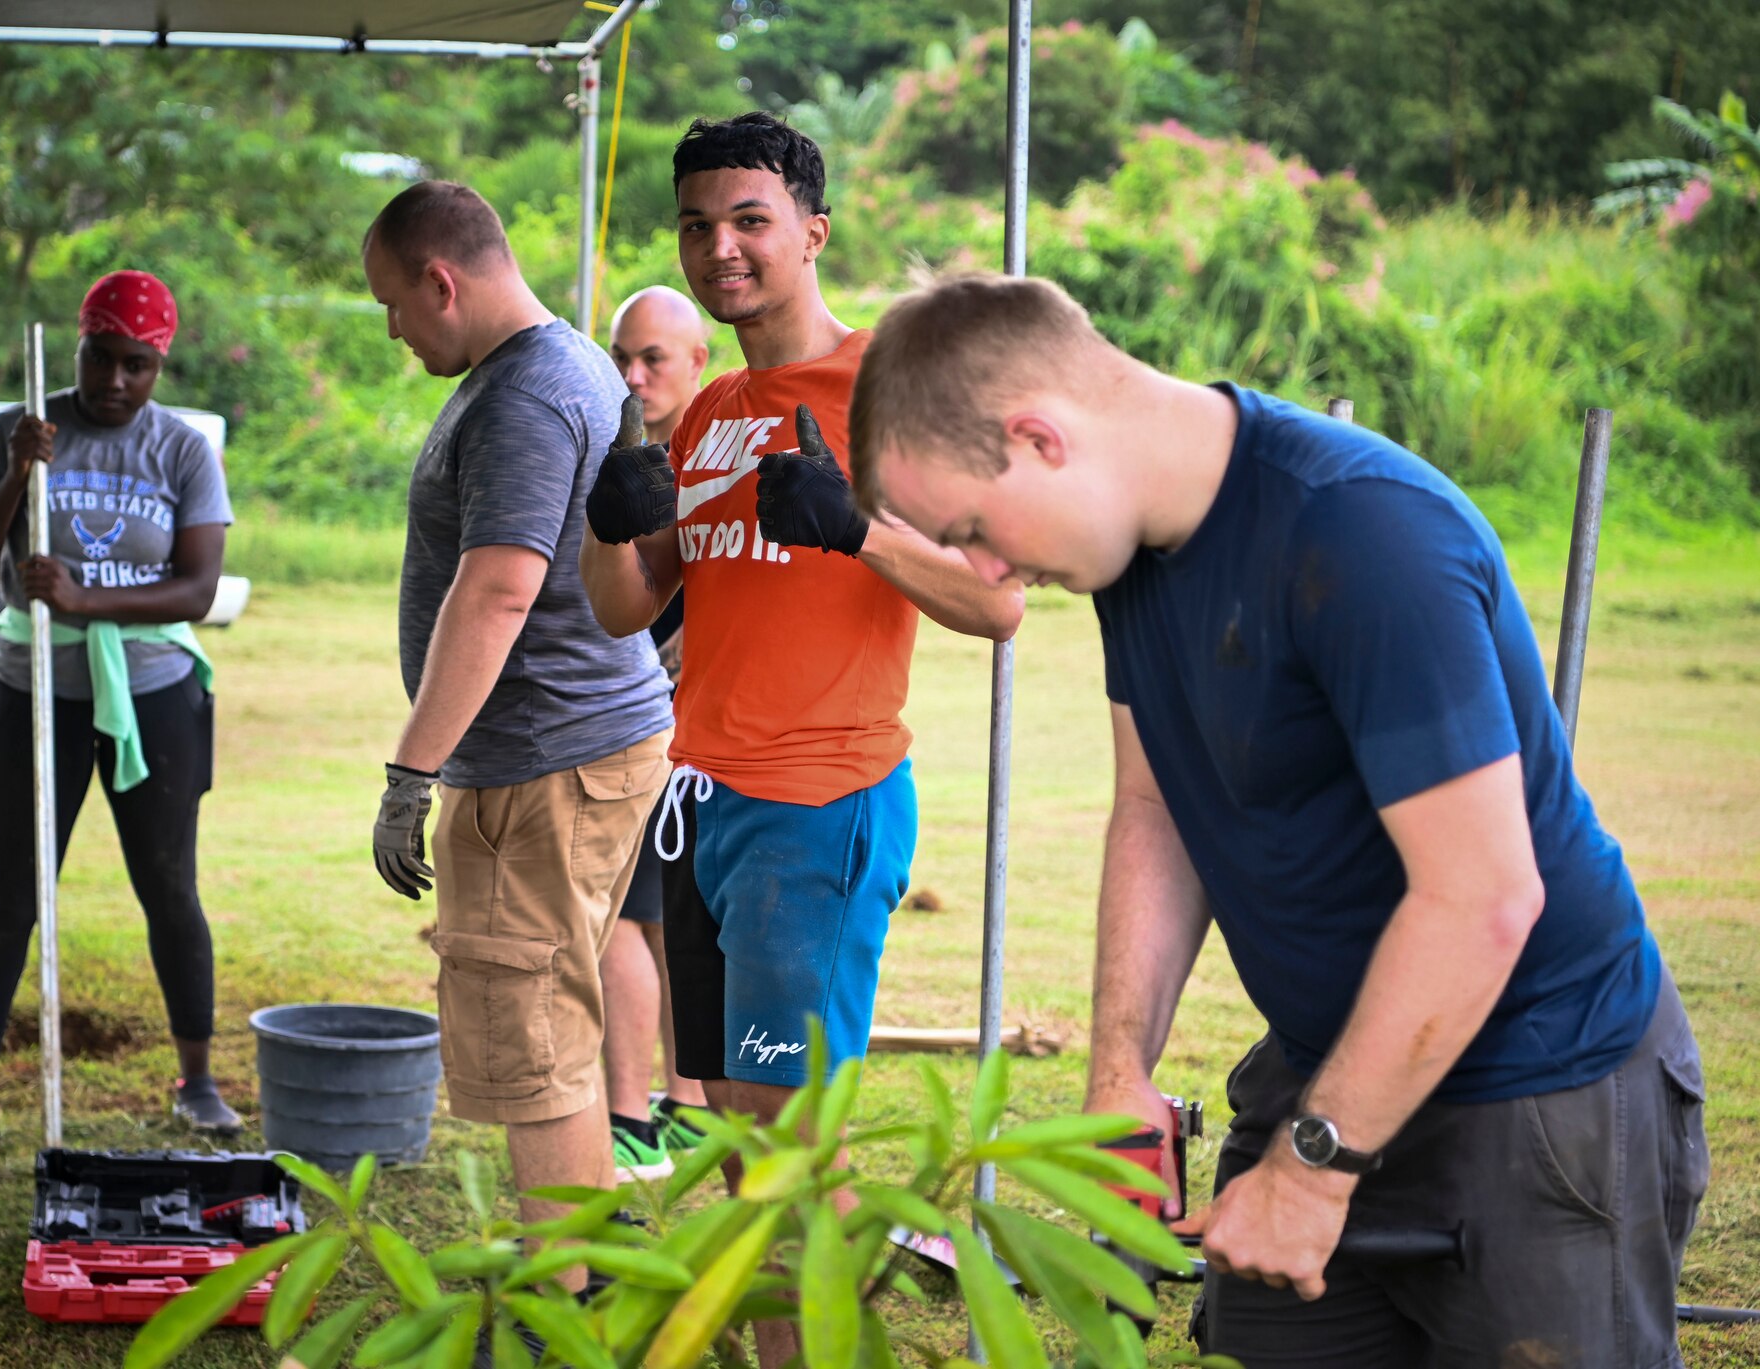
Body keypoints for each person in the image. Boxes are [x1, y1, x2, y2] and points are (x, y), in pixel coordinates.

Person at [845, 272, 1709, 1368]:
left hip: (1535, 1080)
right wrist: (1117, 1070)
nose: (981, 572)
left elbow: (1482, 896)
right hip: (1328, 1066)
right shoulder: (1134, 552)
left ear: (1038, 437)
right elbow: (1155, 808)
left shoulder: (1359, 533)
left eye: (968, 527)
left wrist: (1309, 1169)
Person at [577, 114, 1024, 1138]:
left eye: (747, 219)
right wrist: (607, 529)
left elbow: (995, 604)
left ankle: (805, 1306)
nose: (717, 247)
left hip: (815, 807)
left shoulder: (889, 392)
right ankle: (772, 1307)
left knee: (786, 1136)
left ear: (813, 232)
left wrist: (854, 528)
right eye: (695, 226)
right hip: (696, 805)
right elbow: (623, 608)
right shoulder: (710, 408)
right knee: (734, 1124)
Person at [362, 181, 675, 1259]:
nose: (392, 329)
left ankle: (564, 1303)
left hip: (549, 759)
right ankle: (581, 1269)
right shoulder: (567, 361)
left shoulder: (523, 396)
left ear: (439, 281)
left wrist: (412, 772)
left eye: (393, 304)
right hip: (575, 748)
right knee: (557, 1024)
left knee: (532, 1040)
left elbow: (496, 590)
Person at [0, 270, 239, 1154]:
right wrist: (21, 472)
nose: (114, 382)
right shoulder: (19, 429)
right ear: (78, 346)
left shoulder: (179, 450)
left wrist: (85, 597)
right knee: (12, 898)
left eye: (136, 366)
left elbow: (199, 586)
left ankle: (199, 1080)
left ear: (159, 365)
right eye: (101, 358)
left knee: (169, 889)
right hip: (34, 693)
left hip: (153, 697)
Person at [599, 285, 712, 1183]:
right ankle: (687, 1107)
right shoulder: (647, 455)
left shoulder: (693, 460)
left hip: (671, 733)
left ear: (699, 361)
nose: (633, 377)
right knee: (669, 919)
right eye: (621, 358)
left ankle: (635, 1118)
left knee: (627, 922)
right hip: (680, 731)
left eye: (653, 359)